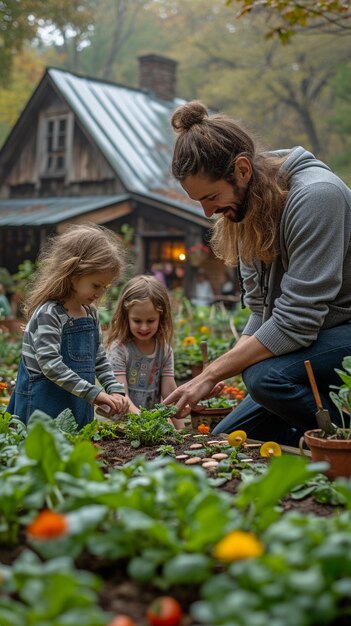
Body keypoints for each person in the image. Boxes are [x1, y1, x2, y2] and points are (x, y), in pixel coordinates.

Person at [164, 100, 351, 446]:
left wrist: (212, 372)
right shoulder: (249, 213)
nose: (208, 212)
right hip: (316, 339)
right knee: (229, 439)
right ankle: (305, 441)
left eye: (211, 196)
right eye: (198, 202)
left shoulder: (316, 197)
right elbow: (261, 311)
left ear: (243, 170)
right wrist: (223, 367)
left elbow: (297, 321)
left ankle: (339, 440)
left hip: (343, 331)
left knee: (265, 377)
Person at [8, 224, 129, 429]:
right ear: (73, 275)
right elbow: (50, 365)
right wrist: (95, 394)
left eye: (105, 287)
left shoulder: (90, 314)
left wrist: (114, 389)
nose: (100, 293)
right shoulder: (49, 314)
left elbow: (99, 359)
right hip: (42, 408)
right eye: (96, 285)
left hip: (76, 406)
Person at [105, 274, 185, 430]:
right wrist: (146, 423)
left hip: (150, 428)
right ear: (125, 316)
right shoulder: (119, 350)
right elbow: (122, 397)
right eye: (137, 321)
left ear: (161, 317)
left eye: (150, 321)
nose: (143, 327)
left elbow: (170, 394)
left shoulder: (164, 350)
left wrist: (182, 431)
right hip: (120, 427)